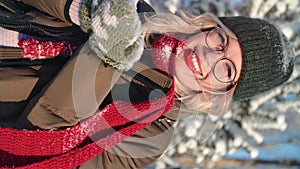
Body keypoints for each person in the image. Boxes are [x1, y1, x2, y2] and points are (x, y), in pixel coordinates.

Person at [0, 0, 295, 168]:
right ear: (209, 27)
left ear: (219, 93)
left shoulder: (148, 135)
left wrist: (105, 58)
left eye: (227, 70)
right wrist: (83, 10)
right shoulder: (132, 9)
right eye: (220, 42)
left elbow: (42, 151)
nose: (208, 58)